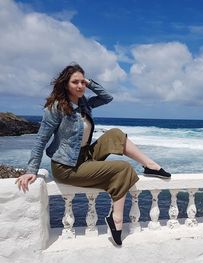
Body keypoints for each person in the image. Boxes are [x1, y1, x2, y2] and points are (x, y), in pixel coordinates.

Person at [15, 63, 171, 246]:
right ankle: (116, 219)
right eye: (75, 82)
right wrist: (31, 169)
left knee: (115, 134)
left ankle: (151, 166)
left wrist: (88, 83)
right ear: (65, 84)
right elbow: (41, 139)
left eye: (82, 82)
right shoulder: (56, 108)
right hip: (67, 166)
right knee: (122, 168)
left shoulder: (84, 104)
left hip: (84, 156)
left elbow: (107, 97)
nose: (80, 86)